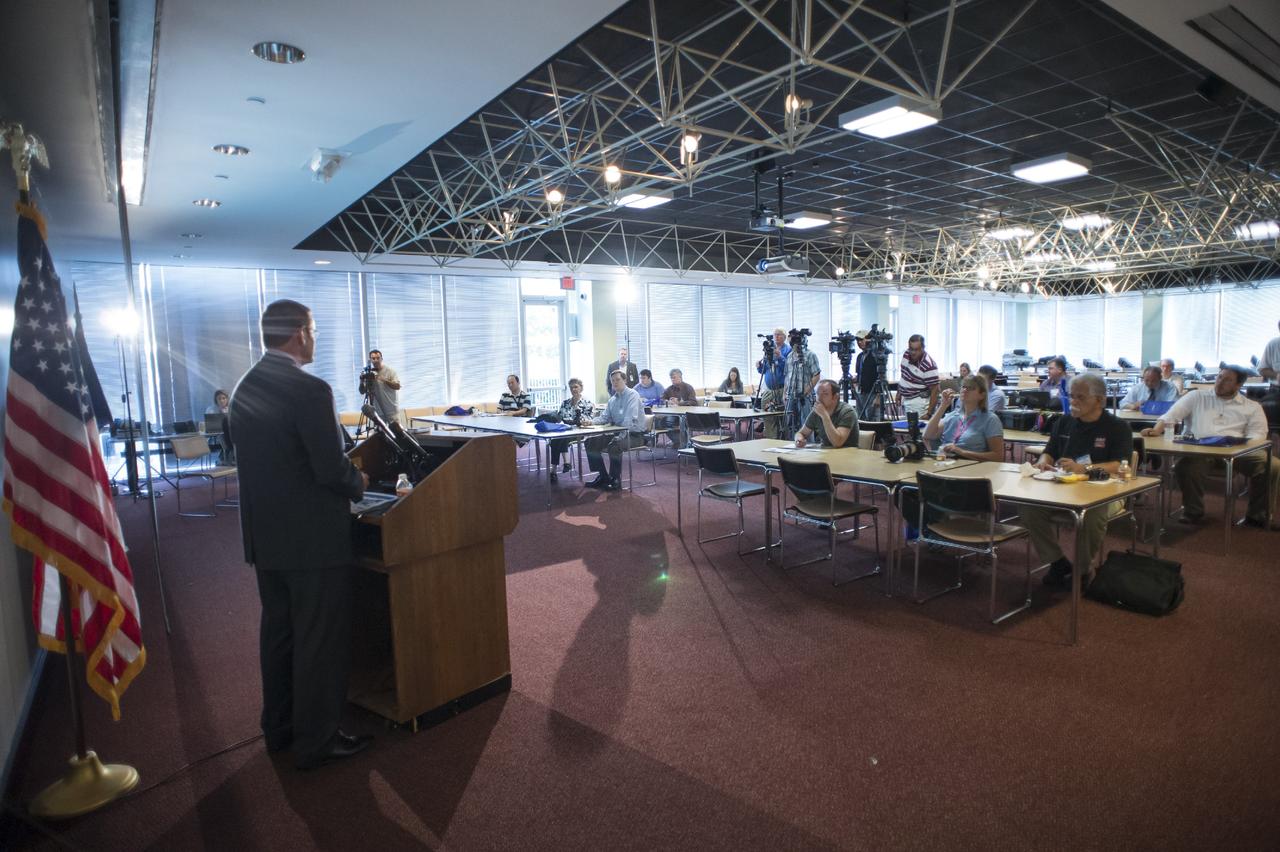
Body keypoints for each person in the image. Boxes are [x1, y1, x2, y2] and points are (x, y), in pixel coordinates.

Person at [227, 299, 372, 771]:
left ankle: (281, 729)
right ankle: (318, 740)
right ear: (298, 334)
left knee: (280, 636)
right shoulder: (309, 389)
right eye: (313, 328)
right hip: (312, 542)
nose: (316, 337)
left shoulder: (245, 386)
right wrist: (359, 482)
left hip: (266, 540)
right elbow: (330, 468)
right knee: (318, 642)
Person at [1020, 373, 1133, 588]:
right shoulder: (1064, 422)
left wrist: (1086, 468)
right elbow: (1049, 452)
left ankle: (1082, 569)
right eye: (1071, 396)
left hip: (1105, 492)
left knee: (1090, 515)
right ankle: (1057, 561)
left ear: (1099, 400)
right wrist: (1043, 462)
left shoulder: (1117, 427)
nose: (1073, 402)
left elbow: (1120, 465)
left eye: (1080, 397)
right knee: (1028, 508)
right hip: (1064, 489)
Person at [1140, 366, 1279, 530]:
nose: (1220, 382)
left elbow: (1258, 434)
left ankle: (1258, 515)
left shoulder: (1252, 406)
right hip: (1200, 450)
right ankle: (1193, 512)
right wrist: (1156, 430)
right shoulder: (1197, 396)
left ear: (1238, 385)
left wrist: (1240, 447)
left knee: (1273, 465)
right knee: (1186, 466)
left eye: (1227, 380)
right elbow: (1172, 415)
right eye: (1219, 377)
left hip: (1236, 452)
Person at [585, 370, 646, 491]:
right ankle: (603, 476)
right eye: (612, 381)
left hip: (635, 436)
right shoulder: (612, 400)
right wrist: (590, 421)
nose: (615, 382)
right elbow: (604, 418)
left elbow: (630, 420)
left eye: (618, 379)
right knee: (590, 442)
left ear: (624, 380)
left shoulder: (632, 395)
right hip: (618, 433)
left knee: (614, 446)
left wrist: (619, 436)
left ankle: (615, 479)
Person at [923, 374, 1004, 462]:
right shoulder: (953, 416)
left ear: (982, 395)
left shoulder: (990, 419)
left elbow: (998, 456)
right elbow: (927, 435)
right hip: (946, 464)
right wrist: (943, 405)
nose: (965, 390)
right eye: (963, 387)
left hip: (972, 467)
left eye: (971, 388)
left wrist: (961, 451)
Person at [549, 378, 593, 483]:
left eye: (576, 387)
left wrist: (577, 421)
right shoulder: (565, 403)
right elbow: (559, 417)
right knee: (555, 439)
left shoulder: (587, 403)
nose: (573, 389)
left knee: (559, 438)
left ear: (581, 388)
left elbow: (589, 420)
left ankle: (555, 470)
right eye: (571, 387)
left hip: (579, 431)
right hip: (565, 429)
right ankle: (562, 465)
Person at [795, 380, 858, 449]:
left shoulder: (847, 412)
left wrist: (824, 416)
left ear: (835, 397)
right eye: (817, 394)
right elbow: (801, 433)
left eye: (825, 394)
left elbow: (837, 442)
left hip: (847, 455)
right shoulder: (817, 412)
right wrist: (799, 439)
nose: (819, 398)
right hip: (825, 453)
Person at [783, 330, 821, 437]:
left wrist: (806, 390)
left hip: (806, 397)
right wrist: (784, 393)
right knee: (790, 426)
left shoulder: (810, 355)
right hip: (791, 396)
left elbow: (816, 375)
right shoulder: (790, 356)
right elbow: (787, 376)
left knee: (807, 425)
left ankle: (808, 450)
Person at [756, 327, 790, 438]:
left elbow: (788, 368)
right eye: (775, 334)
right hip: (769, 389)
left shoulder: (787, 350)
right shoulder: (768, 349)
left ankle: (783, 439)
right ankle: (771, 439)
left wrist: (779, 357)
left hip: (781, 389)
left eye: (779, 334)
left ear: (784, 337)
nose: (776, 336)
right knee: (767, 415)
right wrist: (759, 366)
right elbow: (763, 370)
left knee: (781, 417)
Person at [896, 334, 938, 418]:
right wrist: (899, 393)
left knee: (916, 430)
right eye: (911, 349)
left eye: (916, 350)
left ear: (923, 348)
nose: (913, 352)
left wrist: (929, 413)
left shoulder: (929, 365)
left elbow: (935, 390)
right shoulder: (906, 354)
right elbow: (904, 375)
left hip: (919, 403)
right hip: (906, 400)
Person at [659, 368, 697, 446]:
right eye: (671, 378)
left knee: (668, 421)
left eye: (674, 377)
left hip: (687, 414)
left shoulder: (688, 387)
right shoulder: (669, 389)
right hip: (674, 414)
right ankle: (679, 440)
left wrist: (679, 403)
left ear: (680, 377)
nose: (672, 380)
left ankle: (682, 440)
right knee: (661, 422)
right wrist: (668, 401)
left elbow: (693, 402)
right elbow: (661, 399)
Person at [364, 349, 401, 424]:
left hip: (391, 410)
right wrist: (362, 381)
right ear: (370, 360)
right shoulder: (369, 374)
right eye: (373, 358)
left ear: (382, 359)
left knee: (397, 433)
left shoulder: (390, 371)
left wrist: (383, 379)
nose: (376, 360)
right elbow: (362, 391)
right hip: (378, 411)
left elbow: (397, 386)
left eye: (378, 358)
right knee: (381, 434)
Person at [854, 330, 884, 419]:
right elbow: (859, 374)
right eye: (857, 340)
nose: (859, 342)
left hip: (873, 393)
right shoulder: (860, 356)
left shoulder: (876, 356)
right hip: (861, 393)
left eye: (861, 339)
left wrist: (878, 397)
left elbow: (882, 377)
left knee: (873, 419)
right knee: (860, 418)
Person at [205, 389, 234, 464]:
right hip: (218, 433)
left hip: (231, 432)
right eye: (219, 398)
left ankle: (227, 458)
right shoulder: (211, 409)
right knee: (224, 438)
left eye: (224, 398)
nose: (221, 400)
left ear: (227, 399)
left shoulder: (231, 408)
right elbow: (209, 423)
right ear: (216, 400)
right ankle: (226, 458)